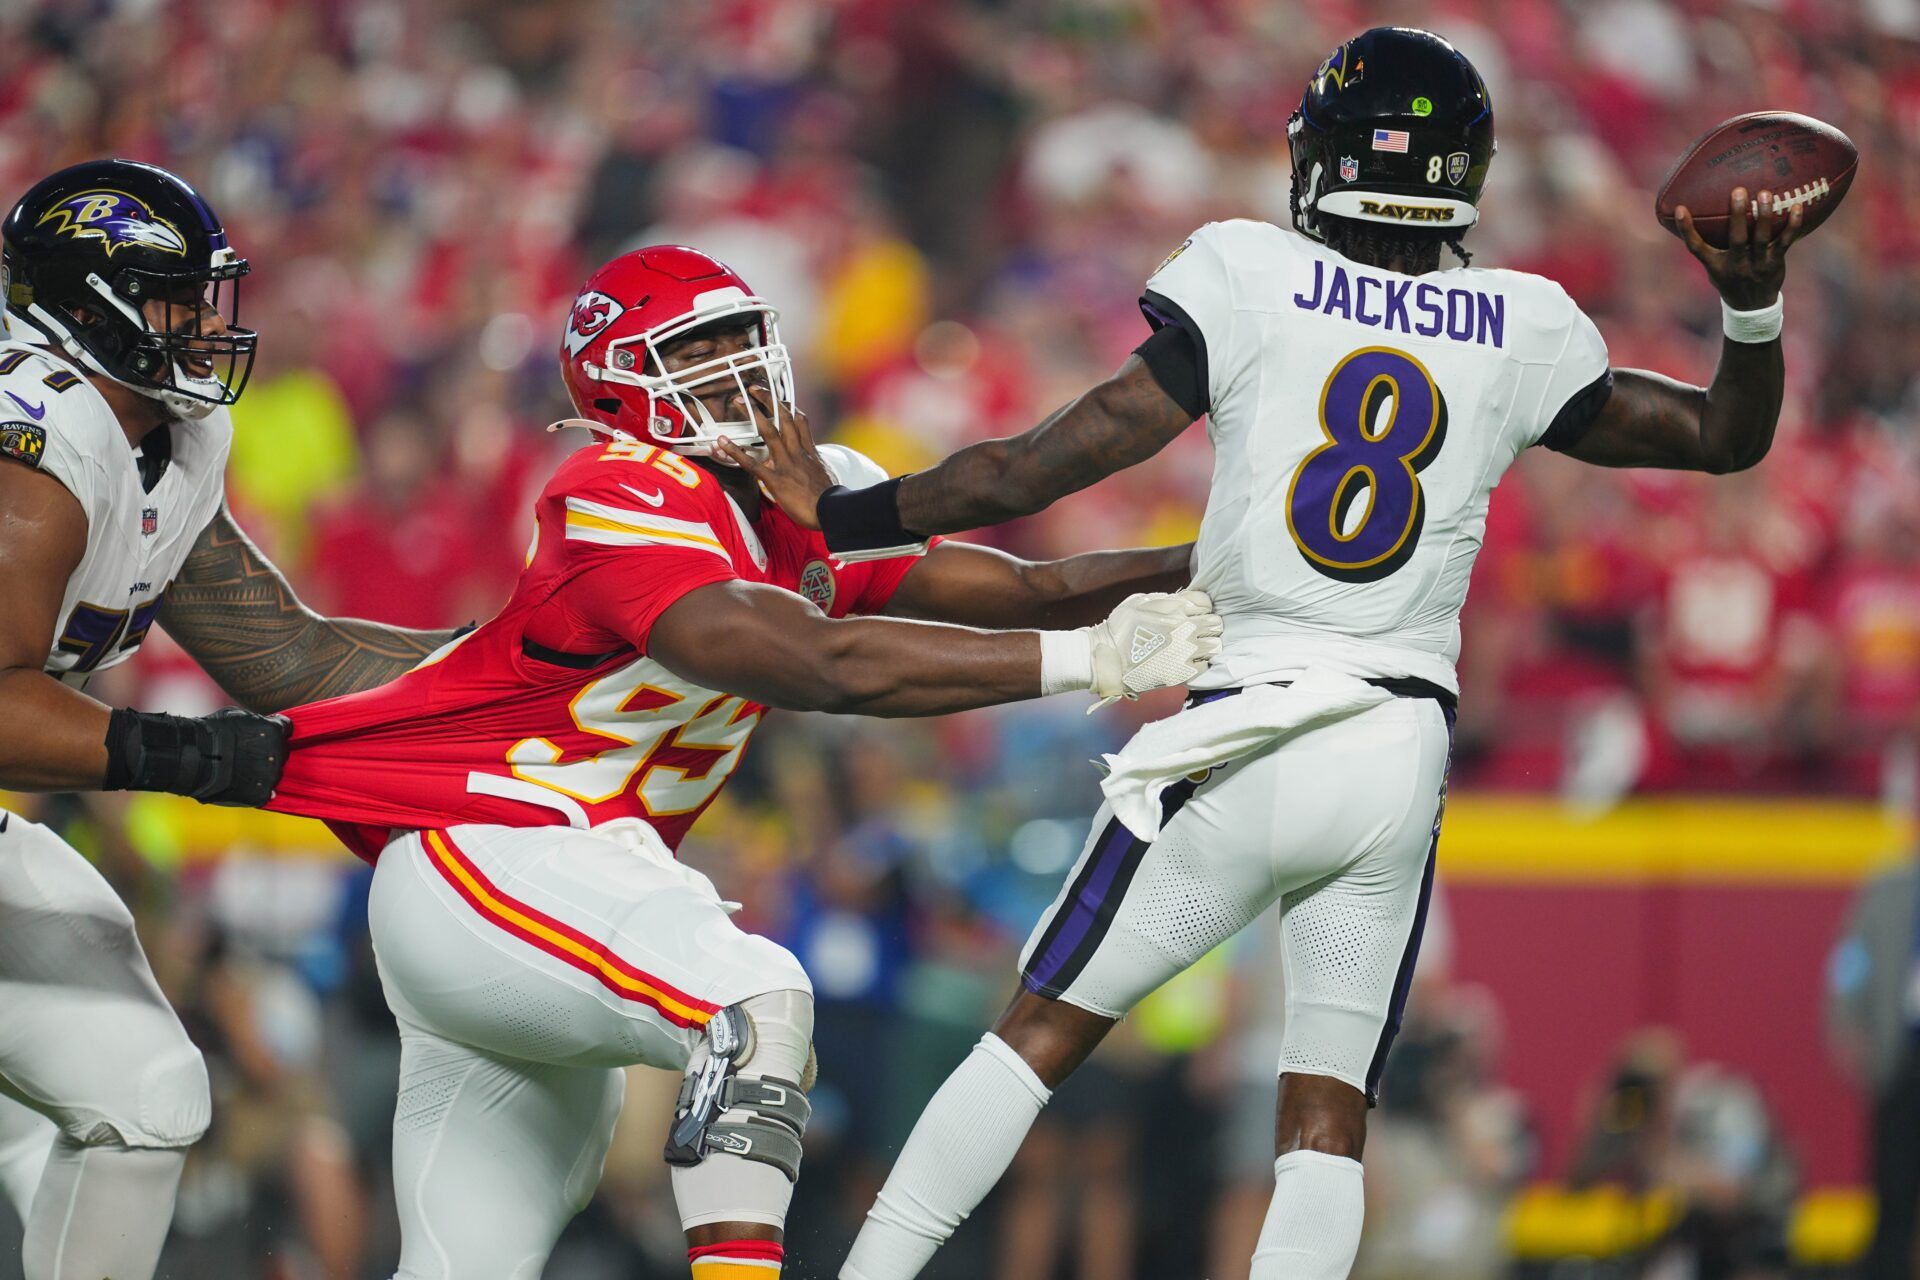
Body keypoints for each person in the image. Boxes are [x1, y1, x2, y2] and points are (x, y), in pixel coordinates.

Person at [726, 27, 1806, 1280]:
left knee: (1033, 1035)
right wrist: (1752, 294)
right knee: (1326, 1116)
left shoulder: (1250, 273)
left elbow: (1045, 464)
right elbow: (1728, 436)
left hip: (1248, 727)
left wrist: (848, 511)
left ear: (1325, 157)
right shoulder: (1520, 324)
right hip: (1396, 747)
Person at [256, 243, 1221, 1280]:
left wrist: (1231, 559)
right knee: (753, 1002)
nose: (735, 368)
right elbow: (822, 661)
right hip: (491, 851)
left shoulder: (809, 491)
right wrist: (1091, 660)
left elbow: (1032, 586)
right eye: (694, 350)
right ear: (621, 382)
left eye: (740, 339)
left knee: (466, 1265)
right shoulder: (617, 485)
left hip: (567, 878)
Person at [0, 157, 460, 1280]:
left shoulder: (161, 432)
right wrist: (196, 757)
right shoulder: (33, 439)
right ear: (86, 301)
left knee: (146, 1089)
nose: (204, 325)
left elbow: (286, 653)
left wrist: (527, 671)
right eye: (178, 299)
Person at [1827, 844, 1920, 1279]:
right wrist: (1846, 1019)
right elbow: (1851, 963)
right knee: (1895, 1191)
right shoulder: (1890, 888)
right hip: (1904, 1059)